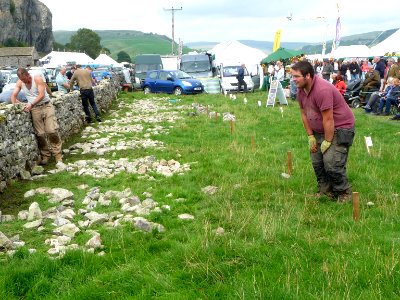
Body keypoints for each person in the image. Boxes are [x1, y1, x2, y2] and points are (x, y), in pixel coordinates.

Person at [291, 61, 355, 202]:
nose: (293, 79)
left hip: (340, 128)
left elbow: (328, 119)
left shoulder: (322, 89)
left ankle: (344, 192)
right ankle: (325, 191)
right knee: (317, 162)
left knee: (331, 162)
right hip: (320, 129)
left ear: (308, 75)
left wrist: (327, 141)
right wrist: (310, 136)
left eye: (296, 76)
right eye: (292, 76)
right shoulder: (301, 89)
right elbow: (304, 113)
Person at [11, 67, 62, 165]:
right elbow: (13, 95)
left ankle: (57, 155)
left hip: (46, 105)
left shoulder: (37, 78)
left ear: (27, 75)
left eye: (23, 79)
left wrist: (31, 104)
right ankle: (45, 155)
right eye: (21, 80)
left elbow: (42, 95)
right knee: (40, 134)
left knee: (51, 130)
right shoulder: (20, 82)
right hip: (35, 109)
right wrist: (15, 107)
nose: (23, 81)